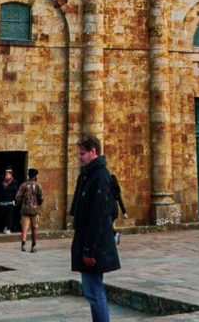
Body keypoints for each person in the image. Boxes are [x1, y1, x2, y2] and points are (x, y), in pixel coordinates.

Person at [70, 135, 120, 322]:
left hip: (93, 245)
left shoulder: (99, 176)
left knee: (94, 290)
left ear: (93, 152)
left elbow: (98, 217)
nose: (79, 157)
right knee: (92, 289)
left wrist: (89, 250)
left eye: (82, 153)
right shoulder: (88, 174)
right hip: (87, 242)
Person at [16, 167, 44, 253]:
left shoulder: (23, 185)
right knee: (34, 228)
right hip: (35, 210)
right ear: (35, 176)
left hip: (25, 210)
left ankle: (23, 245)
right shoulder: (38, 185)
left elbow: (18, 197)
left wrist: (20, 204)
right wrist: (38, 203)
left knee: (24, 228)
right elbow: (41, 197)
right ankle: (33, 245)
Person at [0, 166, 18, 234]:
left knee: (9, 215)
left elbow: (15, 191)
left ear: (11, 174)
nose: (7, 174)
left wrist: (15, 200)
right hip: (2, 201)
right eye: (6, 173)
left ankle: (8, 228)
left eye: (9, 173)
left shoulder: (14, 182)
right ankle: (4, 227)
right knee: (2, 215)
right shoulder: (1, 181)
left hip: (10, 201)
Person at [109, 171, 128, 245]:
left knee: (107, 226)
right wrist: (124, 212)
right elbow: (120, 201)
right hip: (115, 211)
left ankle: (115, 235)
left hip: (109, 210)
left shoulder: (108, 190)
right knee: (109, 225)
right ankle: (113, 238)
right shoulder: (116, 191)